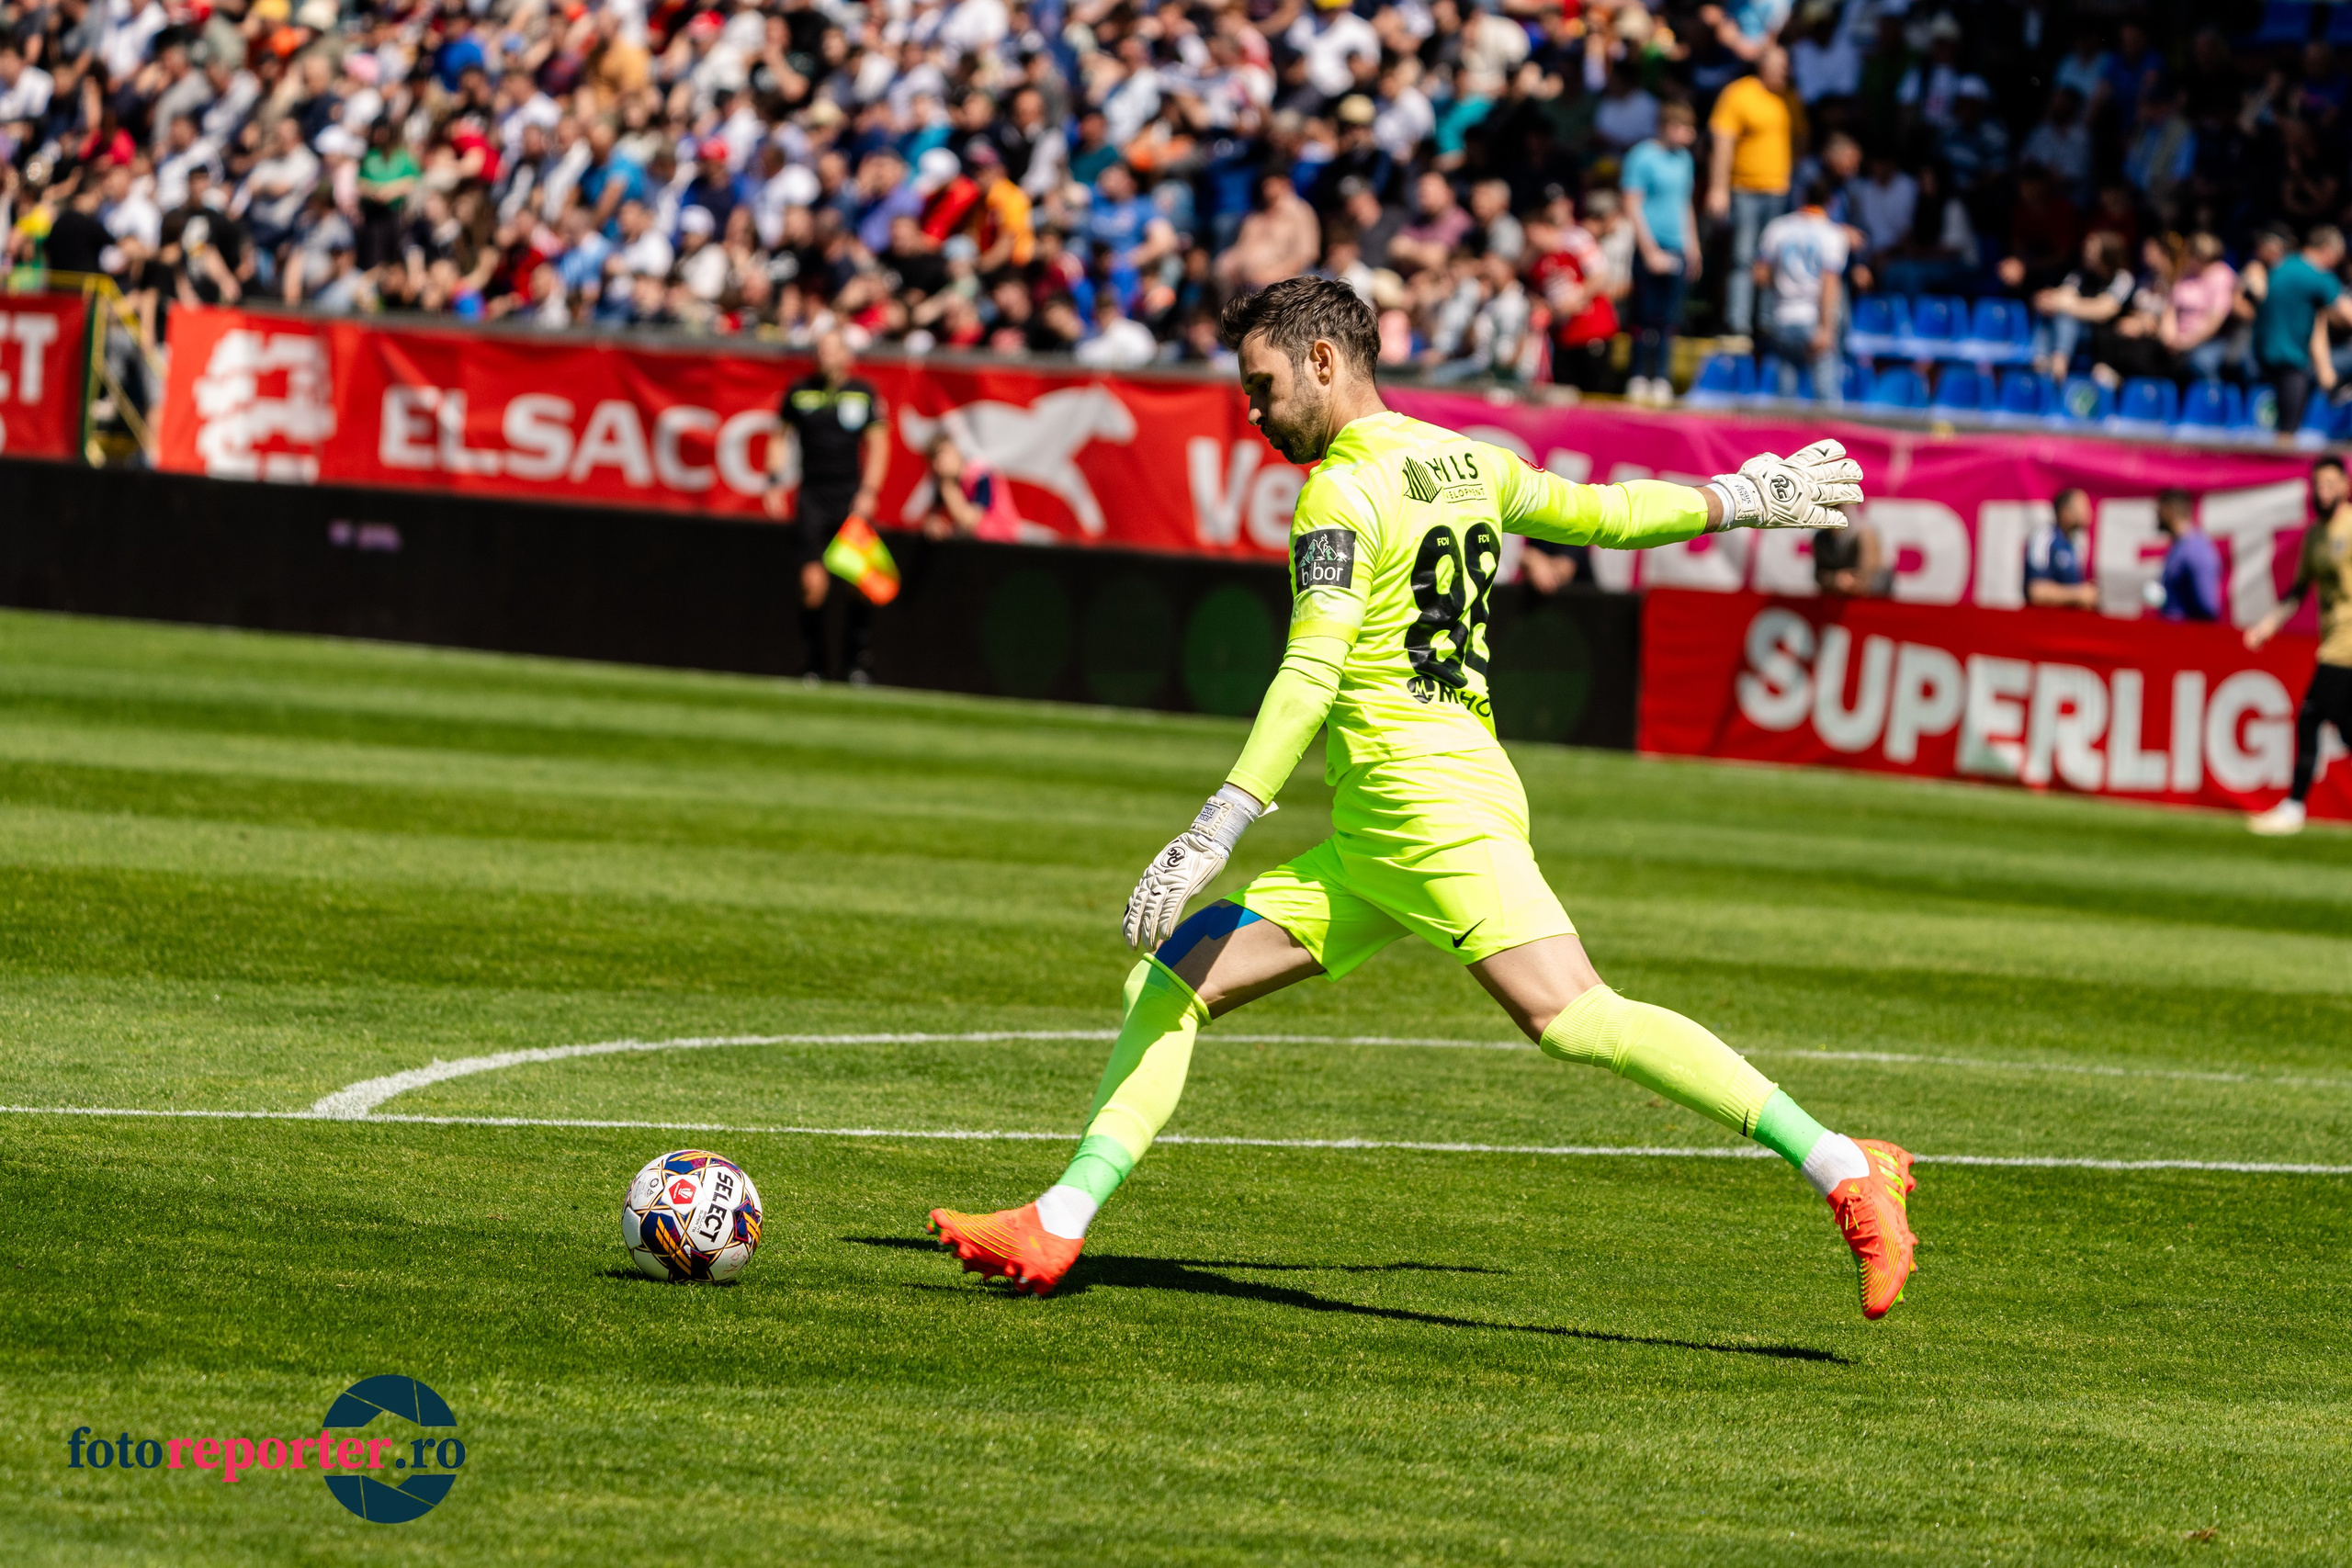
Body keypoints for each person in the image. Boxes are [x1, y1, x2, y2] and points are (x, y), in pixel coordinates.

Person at [924, 276, 1921, 1323]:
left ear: (1322, 360)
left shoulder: (1341, 491)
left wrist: (1219, 821)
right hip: (1387, 823)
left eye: (1262, 385)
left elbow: (1312, 670)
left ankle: (1845, 1165)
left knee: (1575, 1014)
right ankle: (1059, 1220)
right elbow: (1608, 514)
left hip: (1427, 806)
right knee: (1170, 980)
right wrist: (1740, 497)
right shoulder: (1468, 460)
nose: (1253, 412)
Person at [764, 330, 890, 682]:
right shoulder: (799, 391)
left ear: (847, 356)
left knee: (860, 581)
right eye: (820, 349)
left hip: (850, 496)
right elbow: (779, 437)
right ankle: (814, 665)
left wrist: (869, 491)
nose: (824, 355)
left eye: (832, 349)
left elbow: (879, 444)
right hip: (812, 497)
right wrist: (774, 481)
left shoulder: (863, 393)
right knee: (812, 584)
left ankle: (855, 663)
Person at [2245, 456, 2352, 836]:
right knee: (2346, 730)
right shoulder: (2315, 537)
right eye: (2317, 485)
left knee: (2310, 716)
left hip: (2346, 645)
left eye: (2330, 485)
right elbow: (2298, 590)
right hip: (2333, 639)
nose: (2323, 492)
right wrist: (2267, 625)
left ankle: (2294, 807)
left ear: (2345, 487)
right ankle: (2293, 808)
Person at [1707, 45, 1802, 348]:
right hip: (1745, 189)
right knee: (1743, 258)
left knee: (1773, 259)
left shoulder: (1789, 98)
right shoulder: (1739, 94)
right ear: (1763, 65)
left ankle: (1767, 323)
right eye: (1779, 65)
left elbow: (1800, 140)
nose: (1785, 71)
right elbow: (1723, 143)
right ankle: (1738, 324)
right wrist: (1718, 188)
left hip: (1779, 191)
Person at [1621, 101, 1702, 407]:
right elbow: (1632, 204)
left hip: (1676, 246)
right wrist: (1649, 251)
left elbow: (1685, 204)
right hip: (1650, 245)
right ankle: (1639, 375)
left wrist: (1693, 246)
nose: (1689, 135)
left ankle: (1661, 377)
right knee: (1645, 315)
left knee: (1669, 319)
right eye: (1685, 128)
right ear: (1668, 126)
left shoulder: (1684, 159)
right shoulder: (1642, 156)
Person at [1753, 178, 1847, 403]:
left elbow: (1760, 275)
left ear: (1802, 198)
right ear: (1831, 203)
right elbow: (1830, 285)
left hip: (1782, 317)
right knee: (1826, 399)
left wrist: (1783, 286)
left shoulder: (1778, 227)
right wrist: (1827, 328)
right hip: (1813, 318)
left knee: (1786, 402)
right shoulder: (1832, 234)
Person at [2255, 226, 2352, 442]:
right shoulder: (2317, 276)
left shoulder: (2283, 265)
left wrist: (2326, 371)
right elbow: (2348, 314)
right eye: (2337, 258)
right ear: (2327, 250)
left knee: (2280, 425)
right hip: (2291, 359)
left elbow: (2317, 324)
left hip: (2262, 353)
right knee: (2287, 432)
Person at [2153, 488, 2220, 623]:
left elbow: (2208, 606)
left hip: (2187, 634)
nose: (2156, 516)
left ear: (2168, 511)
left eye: (2159, 511)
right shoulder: (2178, 547)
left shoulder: (2196, 549)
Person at [2025, 489, 2099, 610]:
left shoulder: (2077, 542)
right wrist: (2078, 595)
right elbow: (2036, 591)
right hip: (2043, 619)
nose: (2089, 512)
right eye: (2083, 507)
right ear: (2065, 512)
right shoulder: (2045, 538)